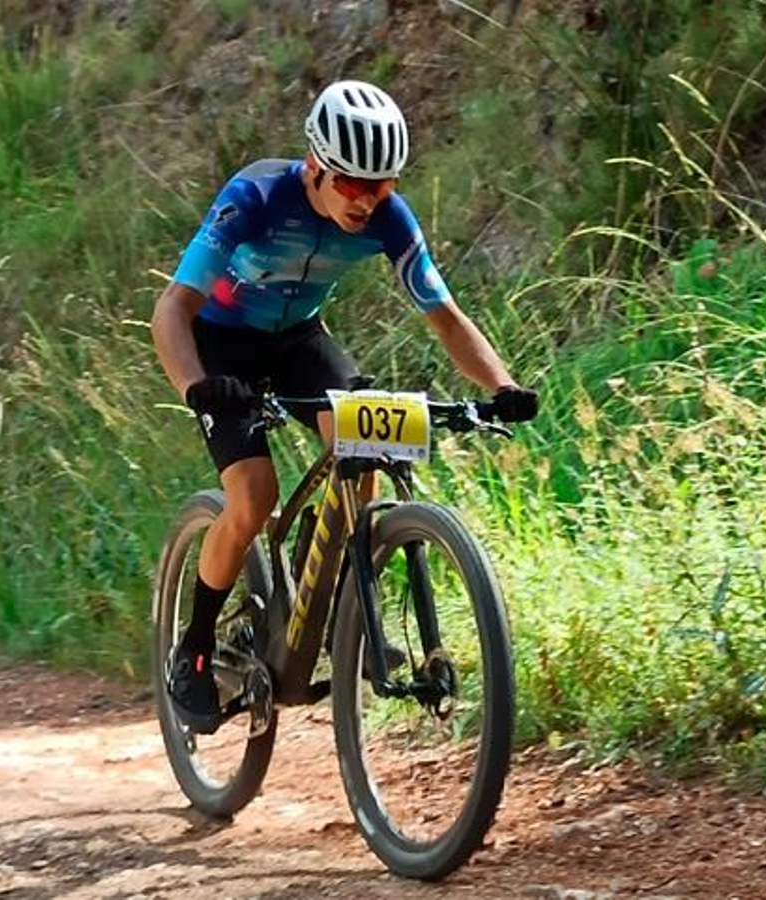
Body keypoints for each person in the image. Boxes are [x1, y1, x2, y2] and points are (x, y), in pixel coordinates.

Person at [150, 79, 538, 732]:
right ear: (316, 169)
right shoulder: (256, 198)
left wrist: (501, 385)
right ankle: (193, 646)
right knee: (253, 496)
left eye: (381, 185)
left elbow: (445, 317)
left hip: (299, 339)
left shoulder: (389, 218)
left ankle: (319, 598)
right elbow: (172, 310)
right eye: (353, 185)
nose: (368, 200)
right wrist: (197, 385)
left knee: (366, 446)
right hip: (220, 347)